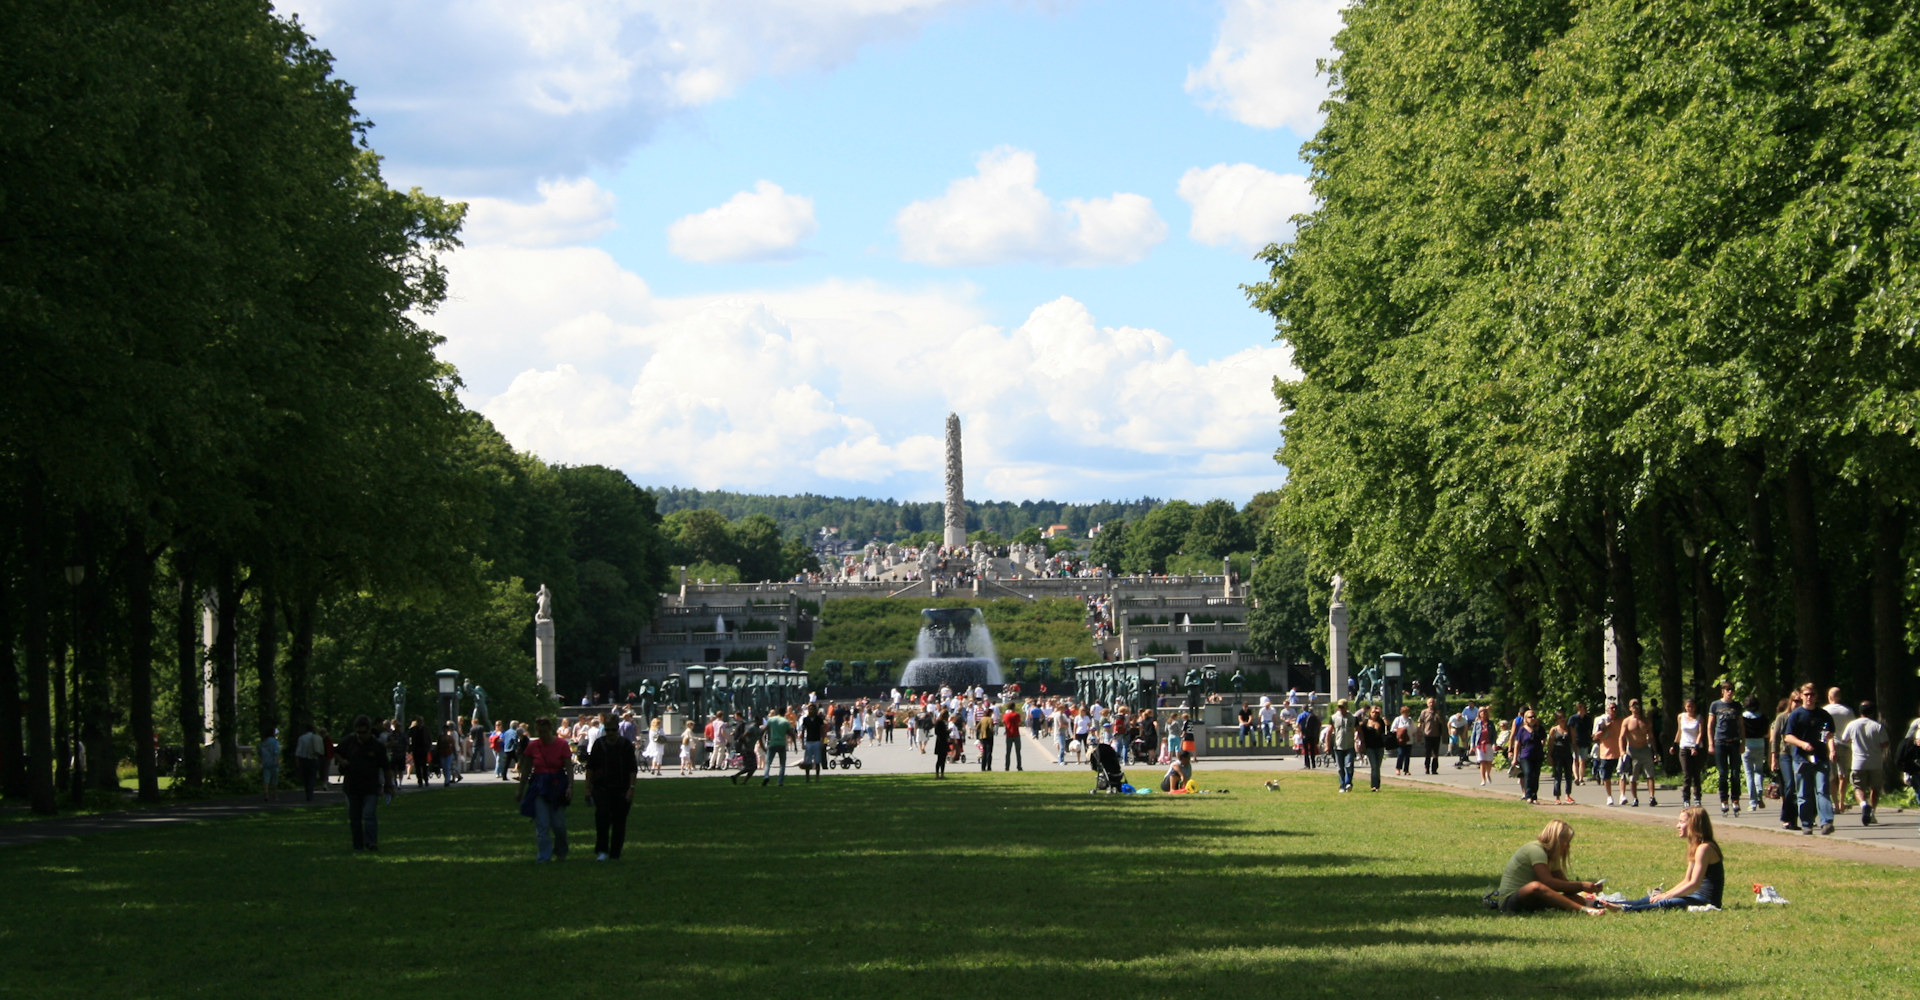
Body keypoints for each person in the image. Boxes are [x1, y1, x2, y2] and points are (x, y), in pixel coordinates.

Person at [1610, 807, 1724, 912]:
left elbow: (1694, 884)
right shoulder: (1696, 846)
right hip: (1693, 895)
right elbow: (1687, 880)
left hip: (1705, 901)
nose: (1677, 826)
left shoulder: (1705, 848)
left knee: (1667, 902)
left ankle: (1623, 910)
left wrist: (1666, 896)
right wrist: (1665, 893)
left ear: (1694, 825)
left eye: (1682, 822)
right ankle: (1601, 903)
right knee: (1650, 899)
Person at [1491, 819, 1606, 915]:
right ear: (1557, 840)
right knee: (1536, 887)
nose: (1568, 847)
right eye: (1566, 842)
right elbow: (1548, 883)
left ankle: (1594, 905)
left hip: (1534, 902)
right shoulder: (1536, 850)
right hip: (1509, 902)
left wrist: (1589, 888)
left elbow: (1564, 885)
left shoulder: (1552, 856)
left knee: (1566, 898)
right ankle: (1584, 910)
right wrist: (1581, 885)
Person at [515, 716, 572, 862]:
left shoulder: (562, 744)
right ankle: (544, 856)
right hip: (539, 786)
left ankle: (561, 851)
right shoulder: (533, 746)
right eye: (540, 732)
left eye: (545, 731)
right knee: (542, 824)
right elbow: (526, 769)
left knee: (558, 824)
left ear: (550, 730)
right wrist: (520, 789)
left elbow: (568, 767)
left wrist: (570, 787)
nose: (543, 735)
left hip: (557, 785)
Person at [1783, 682, 1836, 835]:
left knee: (1822, 790)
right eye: (1806, 695)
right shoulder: (1796, 715)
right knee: (1804, 792)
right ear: (1801, 696)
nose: (1809, 698)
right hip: (1801, 759)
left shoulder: (1823, 715)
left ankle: (1826, 822)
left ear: (1816, 696)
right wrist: (1803, 744)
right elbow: (1788, 736)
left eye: (1812, 694)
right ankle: (1807, 823)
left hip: (1821, 758)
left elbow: (1829, 735)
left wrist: (1832, 749)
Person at [585, 712, 638, 861]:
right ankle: (602, 850)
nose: (610, 733)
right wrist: (588, 788)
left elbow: (632, 769)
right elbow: (590, 768)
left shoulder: (625, 745)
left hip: (621, 788)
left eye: (613, 730)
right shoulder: (599, 744)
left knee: (619, 821)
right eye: (607, 730)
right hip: (601, 788)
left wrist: (631, 788)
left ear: (617, 729)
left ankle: (615, 852)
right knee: (602, 819)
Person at [337, 715, 392, 852]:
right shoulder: (349, 741)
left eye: (363, 732)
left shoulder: (377, 746)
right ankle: (358, 845)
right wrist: (342, 761)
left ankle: (371, 842)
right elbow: (336, 752)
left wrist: (388, 785)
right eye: (358, 732)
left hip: (370, 786)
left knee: (369, 815)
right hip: (352, 786)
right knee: (355, 818)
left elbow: (386, 767)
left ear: (369, 731)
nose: (360, 735)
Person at [1840, 701, 1889, 826]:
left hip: (1858, 762)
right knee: (1875, 788)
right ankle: (1872, 812)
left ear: (1860, 711)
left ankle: (1863, 805)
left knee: (1858, 787)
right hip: (1875, 762)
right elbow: (1885, 743)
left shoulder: (1852, 725)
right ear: (1872, 712)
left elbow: (1844, 739)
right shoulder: (1877, 726)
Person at [1619, 699, 1658, 807]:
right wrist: (1622, 752)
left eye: (1637, 705)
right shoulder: (1627, 721)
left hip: (1645, 749)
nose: (1635, 707)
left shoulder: (1645, 721)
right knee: (1632, 777)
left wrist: (1655, 752)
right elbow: (1621, 737)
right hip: (1632, 750)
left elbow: (1651, 737)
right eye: (1633, 705)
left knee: (1650, 775)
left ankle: (1652, 797)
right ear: (1630, 708)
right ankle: (1635, 798)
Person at [1673, 698, 1705, 808]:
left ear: (1695, 707)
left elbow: (1701, 733)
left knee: (1696, 774)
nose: (1690, 709)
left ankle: (1697, 797)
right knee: (1687, 774)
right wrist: (1674, 744)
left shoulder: (1699, 718)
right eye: (1688, 706)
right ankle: (1686, 798)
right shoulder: (1681, 717)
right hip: (1684, 747)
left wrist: (1696, 746)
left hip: (1696, 748)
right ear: (1685, 707)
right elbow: (1679, 731)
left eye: (1692, 706)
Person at [1511, 708, 1543, 804]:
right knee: (1528, 774)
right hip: (1526, 756)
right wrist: (1515, 758)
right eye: (1530, 717)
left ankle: (1534, 796)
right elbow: (1517, 744)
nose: (1532, 719)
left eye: (1534, 717)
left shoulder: (1539, 729)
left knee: (1536, 776)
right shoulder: (1522, 730)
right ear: (1526, 719)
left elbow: (1545, 739)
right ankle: (1528, 795)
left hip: (1537, 756)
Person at [1327, 700, 1357, 792]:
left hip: (1349, 745)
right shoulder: (1333, 717)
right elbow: (1329, 732)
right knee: (1340, 768)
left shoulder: (1353, 717)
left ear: (1346, 707)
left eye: (1342, 707)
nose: (1341, 709)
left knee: (1349, 765)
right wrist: (1327, 745)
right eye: (1339, 707)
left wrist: (1360, 742)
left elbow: (1358, 730)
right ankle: (1342, 785)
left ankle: (1348, 783)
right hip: (1338, 746)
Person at [1358, 705, 1388, 791]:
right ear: (1370, 713)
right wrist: (1362, 744)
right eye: (1373, 712)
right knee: (1374, 766)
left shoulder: (1381, 722)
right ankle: (1374, 785)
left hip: (1379, 746)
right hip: (1369, 747)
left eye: (1376, 712)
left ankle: (1377, 785)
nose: (1375, 714)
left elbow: (1388, 726)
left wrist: (1382, 714)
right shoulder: (1366, 722)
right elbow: (1360, 733)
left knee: (1378, 766)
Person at [1548, 710, 1575, 804]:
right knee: (1558, 776)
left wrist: (1576, 754)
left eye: (1563, 717)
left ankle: (1568, 795)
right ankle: (1557, 797)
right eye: (1560, 718)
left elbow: (1574, 742)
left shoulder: (1570, 728)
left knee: (1568, 775)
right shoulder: (1554, 730)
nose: (1562, 719)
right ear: (1557, 720)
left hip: (1567, 754)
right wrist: (1549, 756)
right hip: (1557, 755)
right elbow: (1550, 743)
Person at [294, 723, 325, 801]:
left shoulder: (302, 738)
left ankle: (307, 791)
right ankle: (310, 793)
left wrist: (297, 761)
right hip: (313, 759)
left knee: (305, 777)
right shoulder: (317, 738)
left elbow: (298, 751)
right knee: (312, 776)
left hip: (304, 760)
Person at [730, 713, 762, 785]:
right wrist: (747, 747)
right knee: (750, 767)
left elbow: (760, 740)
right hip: (746, 750)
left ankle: (740, 779)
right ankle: (736, 777)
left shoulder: (759, 730)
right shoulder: (752, 728)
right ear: (757, 720)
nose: (762, 721)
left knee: (753, 767)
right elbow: (742, 737)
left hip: (751, 750)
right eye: (761, 720)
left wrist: (765, 749)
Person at [762, 709, 792, 786]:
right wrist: (794, 745)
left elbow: (764, 729)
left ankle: (766, 775)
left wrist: (760, 737)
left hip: (772, 743)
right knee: (782, 764)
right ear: (784, 712)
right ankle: (780, 781)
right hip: (782, 743)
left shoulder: (771, 720)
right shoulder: (785, 721)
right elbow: (791, 733)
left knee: (768, 762)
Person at [1417, 698, 1446, 775]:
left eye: (1433, 702)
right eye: (1430, 702)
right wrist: (1418, 732)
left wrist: (1438, 717)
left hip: (1436, 735)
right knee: (1427, 753)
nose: (1431, 704)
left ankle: (1434, 769)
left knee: (1435, 754)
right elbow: (1420, 722)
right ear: (1427, 704)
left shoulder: (1438, 712)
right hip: (1427, 735)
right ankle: (1427, 768)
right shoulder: (1424, 712)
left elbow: (1442, 723)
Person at [801, 704, 827, 782]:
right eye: (810, 709)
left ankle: (817, 778)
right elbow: (803, 731)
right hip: (809, 741)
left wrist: (823, 741)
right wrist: (802, 743)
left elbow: (822, 731)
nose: (811, 710)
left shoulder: (819, 719)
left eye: (813, 709)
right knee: (807, 762)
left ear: (815, 710)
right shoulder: (806, 719)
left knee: (817, 761)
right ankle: (807, 778)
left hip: (817, 741)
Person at [1472, 706, 1498, 786]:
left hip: (1488, 744)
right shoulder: (1477, 724)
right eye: (1481, 712)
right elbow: (1474, 734)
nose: (1483, 713)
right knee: (1482, 762)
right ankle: (1483, 779)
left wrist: (1494, 743)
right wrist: (1472, 745)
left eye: (1485, 712)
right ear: (1479, 714)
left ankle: (1488, 774)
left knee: (1489, 761)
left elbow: (1494, 734)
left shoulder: (1491, 723)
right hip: (1480, 745)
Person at [259, 727, 281, 802]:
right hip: (273, 762)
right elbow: (276, 752)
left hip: (265, 762)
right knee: (274, 779)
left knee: (266, 779)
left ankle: (266, 794)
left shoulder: (263, 742)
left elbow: (260, 752)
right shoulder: (275, 742)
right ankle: (275, 795)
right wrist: (278, 761)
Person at [407, 718, 430, 787]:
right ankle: (420, 781)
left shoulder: (426, 729)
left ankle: (426, 780)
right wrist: (410, 747)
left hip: (424, 749)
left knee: (424, 766)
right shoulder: (413, 729)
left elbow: (429, 738)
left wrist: (428, 747)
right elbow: (409, 738)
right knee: (417, 766)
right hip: (416, 749)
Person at [1391, 705, 1413, 776]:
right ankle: (1398, 768)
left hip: (1409, 740)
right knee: (1401, 754)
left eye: (1407, 712)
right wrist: (1400, 731)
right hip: (1400, 740)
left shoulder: (1410, 720)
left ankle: (1406, 770)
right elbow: (1392, 729)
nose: (1406, 713)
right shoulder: (1398, 719)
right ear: (1402, 712)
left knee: (1407, 756)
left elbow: (1414, 729)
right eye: (1405, 712)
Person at [1002, 701, 1024, 771]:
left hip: (1009, 734)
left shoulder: (1005, 715)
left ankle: (1007, 767)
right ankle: (1019, 766)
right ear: (1014, 707)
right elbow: (1019, 723)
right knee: (1018, 752)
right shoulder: (1016, 715)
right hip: (1016, 734)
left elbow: (1004, 723)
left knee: (1008, 752)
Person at [932, 711, 952, 779]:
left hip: (941, 741)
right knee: (940, 759)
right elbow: (938, 732)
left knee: (942, 759)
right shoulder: (940, 722)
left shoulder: (940, 722)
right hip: (941, 742)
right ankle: (938, 774)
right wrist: (947, 732)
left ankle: (941, 774)